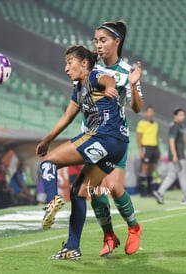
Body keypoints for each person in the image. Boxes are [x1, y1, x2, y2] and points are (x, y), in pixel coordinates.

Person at [36, 45, 130, 260]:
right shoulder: (78, 89)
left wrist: (109, 88)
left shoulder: (95, 75)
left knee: (47, 164)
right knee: (79, 191)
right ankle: (72, 247)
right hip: (118, 146)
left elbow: (108, 80)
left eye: (70, 62)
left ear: (84, 63)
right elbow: (67, 117)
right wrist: (47, 140)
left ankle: (51, 200)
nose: (66, 68)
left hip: (102, 136)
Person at [88, 20, 144, 257]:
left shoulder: (127, 71)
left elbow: (137, 108)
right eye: (96, 41)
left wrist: (133, 85)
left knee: (114, 186)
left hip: (115, 136)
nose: (98, 45)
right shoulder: (91, 67)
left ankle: (134, 227)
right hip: (92, 136)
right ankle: (109, 235)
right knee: (94, 190)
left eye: (103, 40)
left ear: (116, 42)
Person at [153, 108, 186, 205]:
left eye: (183, 115)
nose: (183, 117)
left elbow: (180, 140)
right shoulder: (175, 126)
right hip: (178, 156)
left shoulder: (178, 126)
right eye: (180, 115)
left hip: (176, 155)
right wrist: (175, 155)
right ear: (175, 116)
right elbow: (171, 141)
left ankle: (160, 192)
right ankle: (185, 198)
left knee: (171, 176)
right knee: (183, 176)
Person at [136, 105, 160, 197]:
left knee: (152, 169)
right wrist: (140, 150)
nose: (151, 113)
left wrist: (159, 150)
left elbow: (156, 137)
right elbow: (139, 138)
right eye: (149, 111)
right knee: (144, 169)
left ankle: (150, 191)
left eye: (152, 111)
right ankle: (142, 192)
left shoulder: (155, 124)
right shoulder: (142, 123)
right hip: (146, 147)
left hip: (154, 148)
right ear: (146, 113)